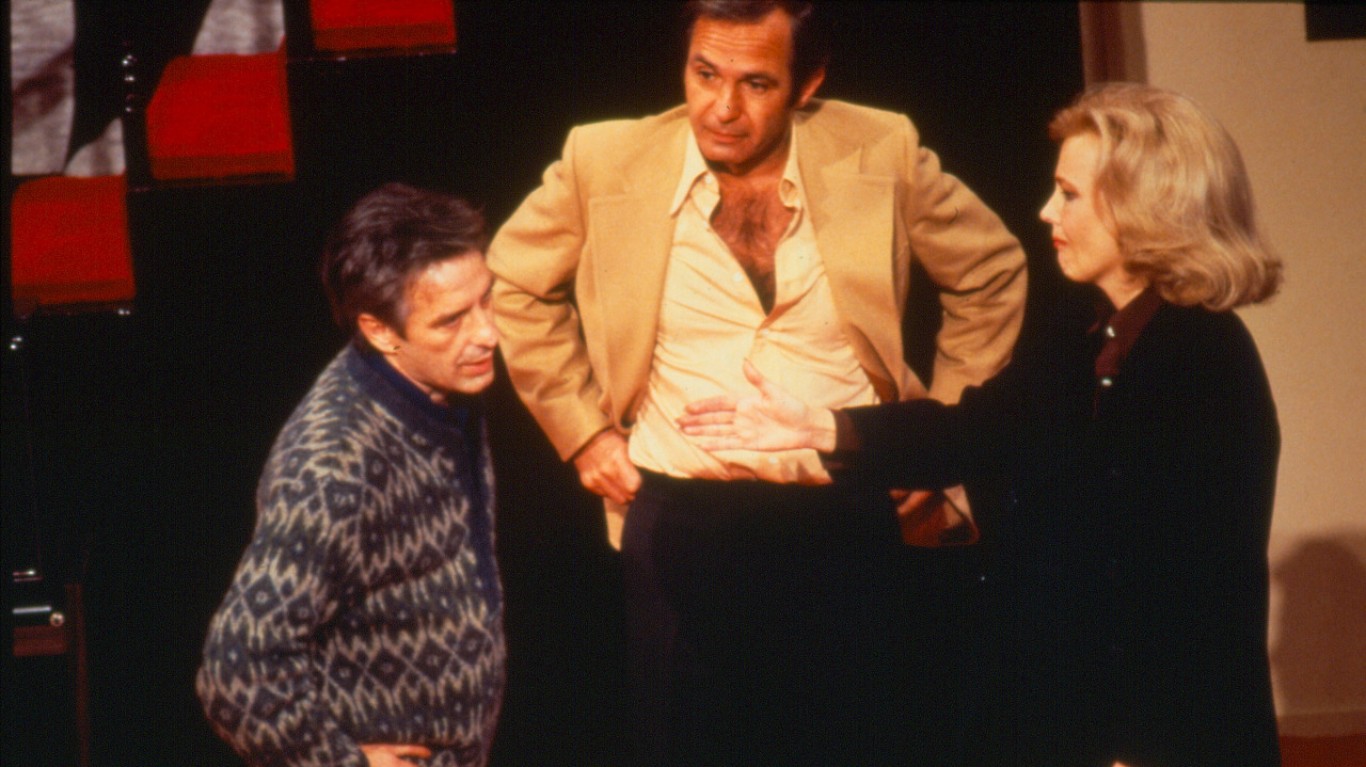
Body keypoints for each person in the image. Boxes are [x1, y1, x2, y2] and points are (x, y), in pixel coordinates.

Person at [680, 82, 1284, 767]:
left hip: (1159, 741)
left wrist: (1135, 748)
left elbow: (1184, 597)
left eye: (1070, 194)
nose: (1046, 210)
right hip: (1080, 721)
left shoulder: (1203, 361)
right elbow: (976, 430)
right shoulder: (1085, 335)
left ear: (1144, 208)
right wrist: (820, 426)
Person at [487, 1, 1026, 762]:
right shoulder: (603, 159)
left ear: (808, 84)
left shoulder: (881, 149)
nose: (722, 107)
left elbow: (991, 273)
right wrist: (584, 433)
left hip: (845, 513)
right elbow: (513, 284)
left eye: (756, 83)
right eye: (705, 74)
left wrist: (927, 437)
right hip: (683, 517)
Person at [196, 184, 505, 767]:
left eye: (486, 301)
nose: (487, 334)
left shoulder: (443, 381)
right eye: (451, 321)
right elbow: (237, 672)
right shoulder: (333, 468)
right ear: (381, 331)